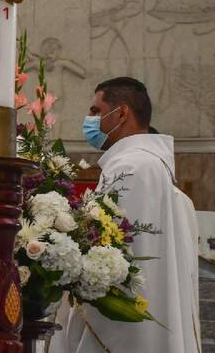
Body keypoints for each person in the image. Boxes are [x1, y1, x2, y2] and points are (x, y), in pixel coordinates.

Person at [52, 77, 200, 353]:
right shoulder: (146, 164)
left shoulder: (134, 167)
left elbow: (115, 253)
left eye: (96, 111)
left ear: (121, 113)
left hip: (129, 330)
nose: (90, 119)